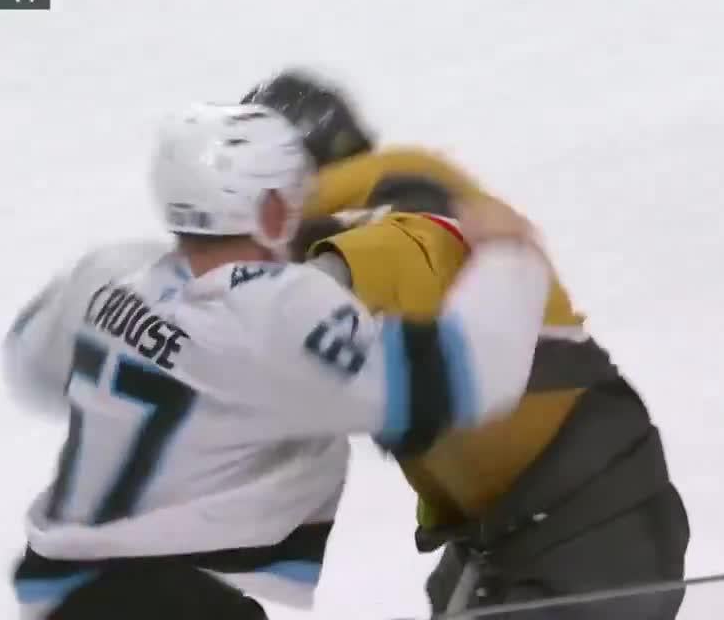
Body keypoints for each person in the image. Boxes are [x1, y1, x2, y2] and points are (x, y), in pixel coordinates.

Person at [1, 101, 556, 619]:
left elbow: (33, 371)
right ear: (268, 209)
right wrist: (510, 255)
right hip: (163, 601)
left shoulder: (109, 273)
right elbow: (465, 378)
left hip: (60, 590)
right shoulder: (276, 314)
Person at [244, 70, 691, 619]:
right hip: (532, 532)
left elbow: (301, 307)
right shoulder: (423, 209)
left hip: (585, 538)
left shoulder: (394, 235)